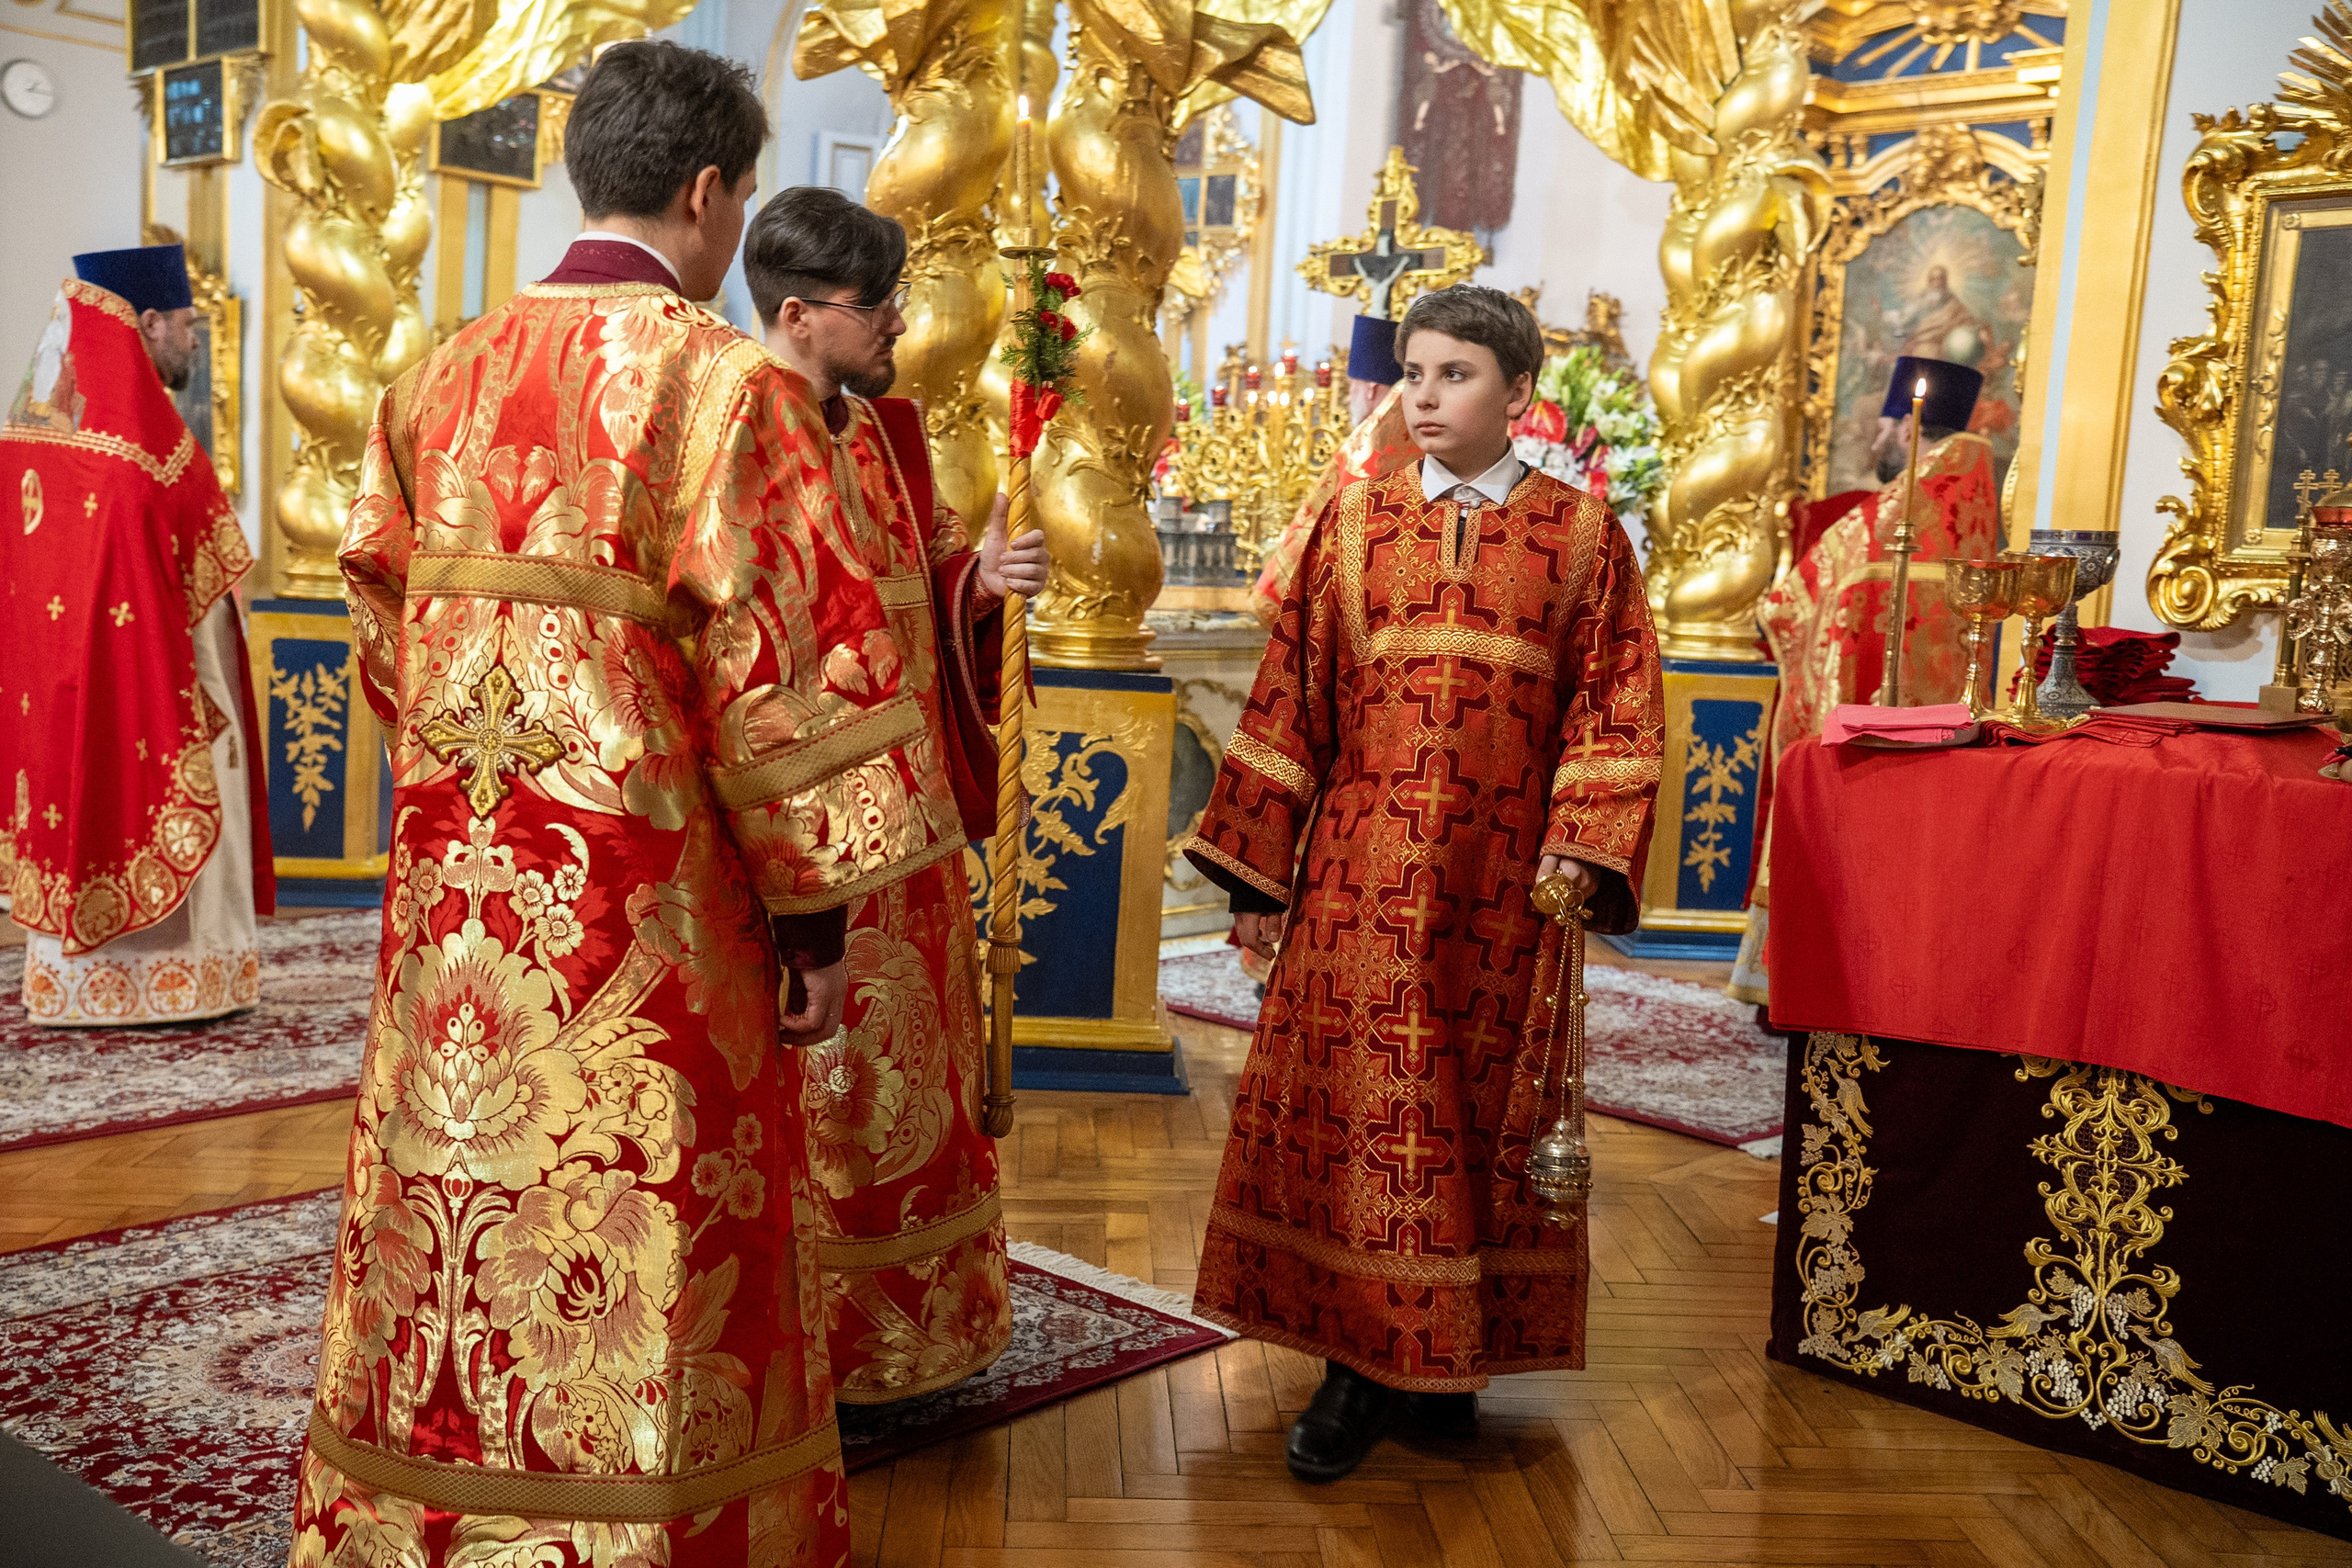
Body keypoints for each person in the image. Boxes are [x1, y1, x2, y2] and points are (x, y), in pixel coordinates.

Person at [287, 43, 967, 1567]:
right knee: (652, 1221)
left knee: (445, 1219)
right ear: (711, 191)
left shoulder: (433, 375)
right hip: (655, 927)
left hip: (460, 918)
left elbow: (381, 632)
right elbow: (788, 686)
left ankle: (427, 1510)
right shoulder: (729, 391)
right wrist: (817, 925)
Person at [1181, 284, 1665, 1483]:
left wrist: (1582, 837)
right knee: (1367, 1111)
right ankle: (1356, 1361)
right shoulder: (1354, 523)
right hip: (1358, 874)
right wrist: (1258, 864)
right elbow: (1289, 699)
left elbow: (1618, 701)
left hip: (1504, 888)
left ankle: (1453, 1352)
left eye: (1456, 374)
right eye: (1416, 373)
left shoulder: (1583, 535)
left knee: (1476, 1112)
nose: (1426, 396)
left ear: (1518, 392)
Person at [741, 185, 1045, 1403]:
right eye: (881, 306)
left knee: (912, 1076)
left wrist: (980, 580)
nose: (900, 328)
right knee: (824, 1081)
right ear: (803, 310)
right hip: (806, 828)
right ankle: (812, 1343)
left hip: (908, 828)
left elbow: (915, 582)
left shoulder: (882, 431)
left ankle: (912, 1334)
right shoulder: (738, 425)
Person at [1, 243, 273, 1024]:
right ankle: (182, 982)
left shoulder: (24, 432)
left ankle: (70, 986)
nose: (193, 342)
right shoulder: (148, 453)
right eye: (186, 325)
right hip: (152, 679)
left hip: (51, 689)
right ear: (147, 322)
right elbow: (208, 583)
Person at [1726, 355, 2000, 1011]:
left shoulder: (1881, 518)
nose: (1879, 439)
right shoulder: (1976, 514)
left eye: (1884, 426)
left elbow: (1788, 607)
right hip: (1945, 734)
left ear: (1905, 428)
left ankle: (1799, 979)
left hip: (1859, 737)